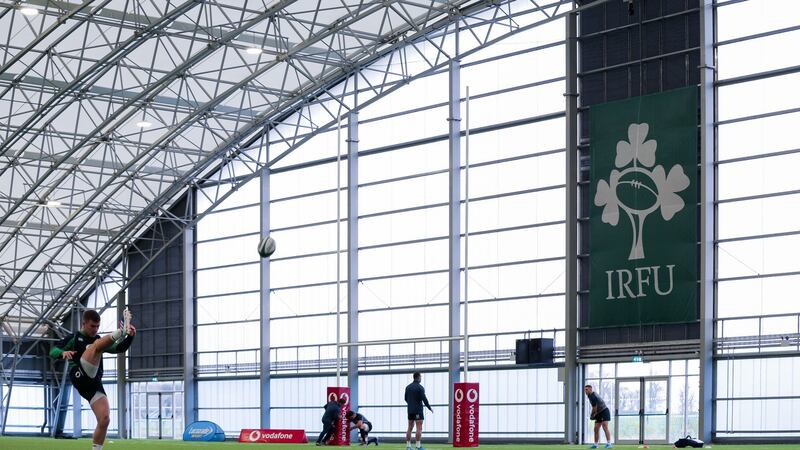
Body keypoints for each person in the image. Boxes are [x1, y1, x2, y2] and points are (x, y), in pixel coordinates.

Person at [50, 309, 135, 450]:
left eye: (98, 326)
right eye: (92, 326)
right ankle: (121, 331)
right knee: (96, 346)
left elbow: (119, 348)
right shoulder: (74, 337)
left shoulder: (99, 340)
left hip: (94, 383)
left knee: (104, 419)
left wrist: (130, 337)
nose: (95, 329)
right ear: (84, 324)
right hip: (79, 375)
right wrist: (63, 352)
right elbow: (52, 351)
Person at [404, 372, 432, 450]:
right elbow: (424, 399)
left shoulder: (408, 387)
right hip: (418, 411)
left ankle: (408, 446)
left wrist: (411, 404)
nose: (421, 378)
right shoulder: (420, 387)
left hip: (410, 410)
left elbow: (405, 398)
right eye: (421, 377)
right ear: (418, 377)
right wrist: (429, 407)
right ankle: (418, 446)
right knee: (419, 428)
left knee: (409, 427)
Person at [584, 385, 612, 449]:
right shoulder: (589, 395)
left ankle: (609, 443)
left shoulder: (593, 396)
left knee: (605, 427)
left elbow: (594, 408)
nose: (585, 391)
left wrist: (592, 415)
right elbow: (595, 407)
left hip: (604, 411)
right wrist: (595, 414)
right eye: (585, 390)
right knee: (596, 429)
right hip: (599, 412)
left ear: (590, 389)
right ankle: (596, 444)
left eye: (587, 389)